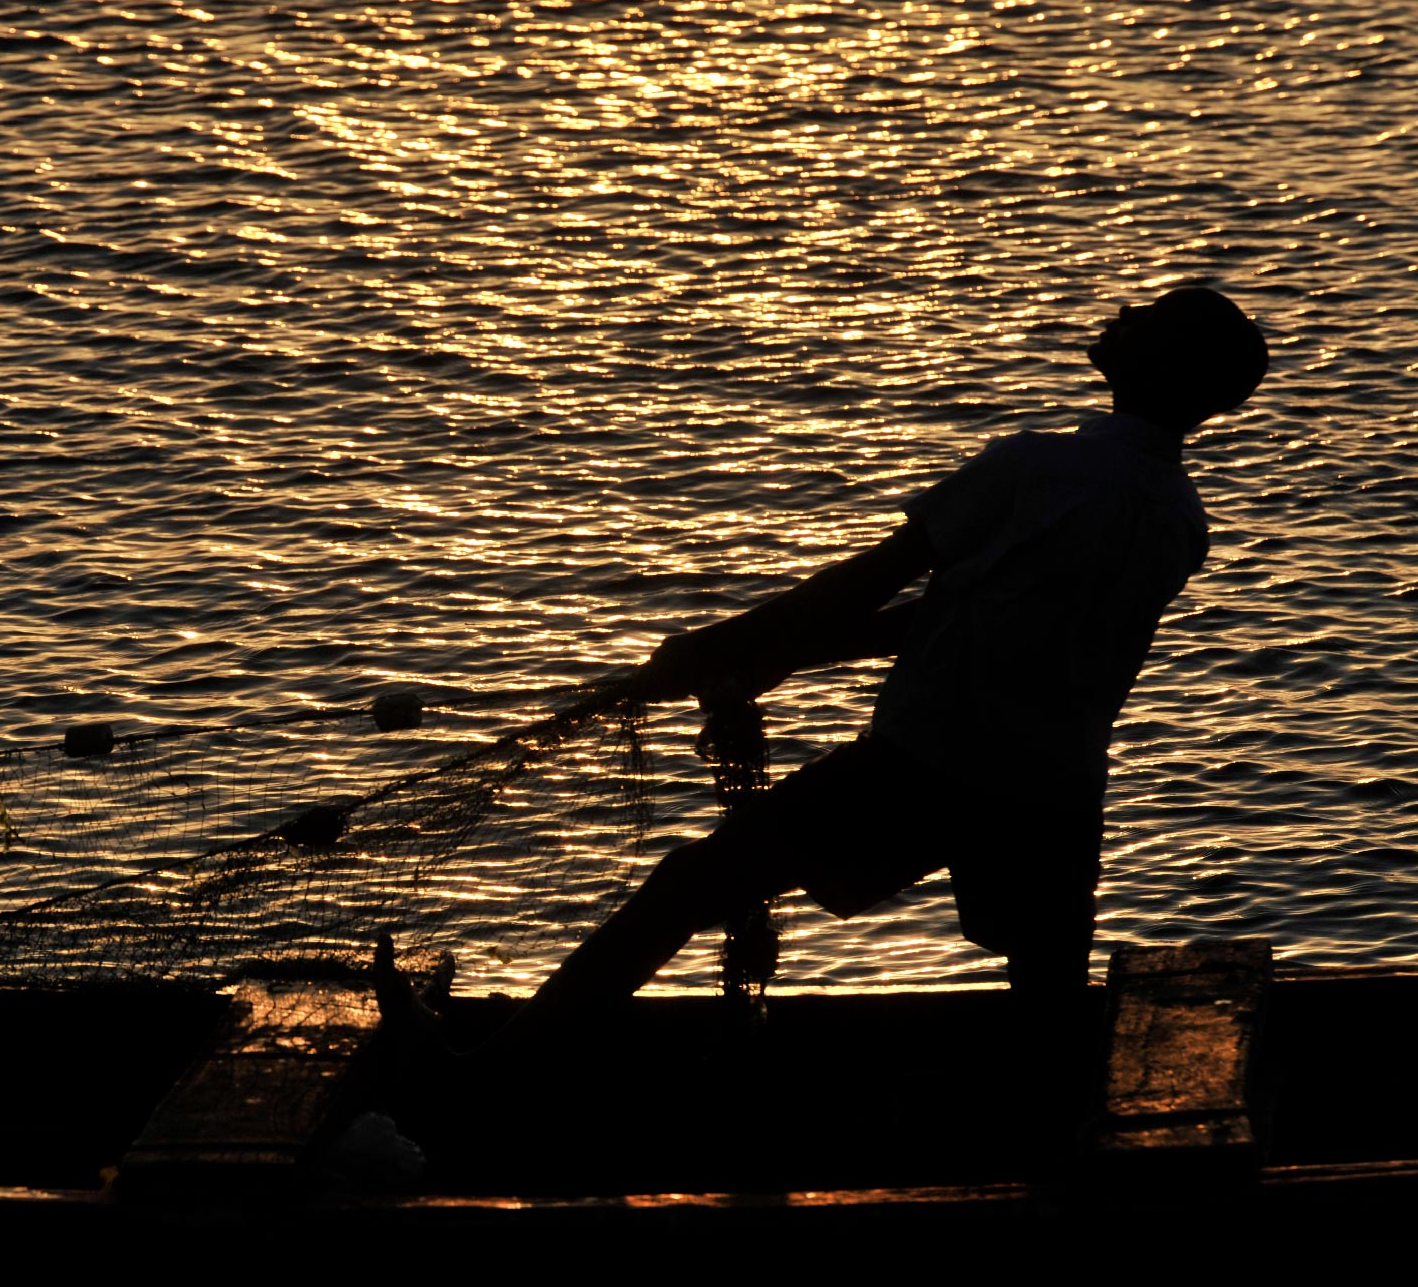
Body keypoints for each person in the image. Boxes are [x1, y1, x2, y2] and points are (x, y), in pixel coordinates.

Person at [380, 284, 1268, 1061]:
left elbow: (865, 584)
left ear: (1157, 361)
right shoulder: (1174, 515)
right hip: (1053, 797)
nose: (1123, 312)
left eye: (1147, 315)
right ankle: (1046, 1160)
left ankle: (496, 1074)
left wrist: (713, 648)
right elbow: (960, 617)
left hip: (928, 769)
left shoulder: (1036, 466)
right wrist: (777, 660)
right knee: (1044, 1012)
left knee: (686, 885)